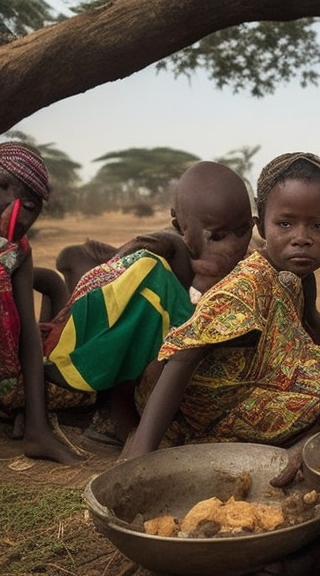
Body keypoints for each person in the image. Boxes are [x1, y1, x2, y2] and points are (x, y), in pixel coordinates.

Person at [120, 152, 320, 487]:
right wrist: (142, 453)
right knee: (319, 394)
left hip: (246, 383)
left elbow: (312, 320)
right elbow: (183, 356)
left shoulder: (298, 275)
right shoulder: (246, 286)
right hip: (202, 406)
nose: (301, 237)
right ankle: (315, 458)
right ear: (262, 226)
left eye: (318, 226)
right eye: (285, 224)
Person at [39, 161, 255, 446]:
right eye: (216, 236)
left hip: (202, 367)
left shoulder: (250, 262)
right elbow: (139, 253)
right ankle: (117, 415)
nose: (232, 246)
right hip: (137, 365)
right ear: (181, 227)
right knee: (150, 280)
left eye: (243, 231)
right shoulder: (171, 252)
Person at [0, 141, 84, 463]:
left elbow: (27, 338)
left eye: (33, 209)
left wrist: (40, 427)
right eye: (3, 189)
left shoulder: (18, 250)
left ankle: (33, 430)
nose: (22, 217)